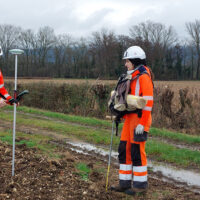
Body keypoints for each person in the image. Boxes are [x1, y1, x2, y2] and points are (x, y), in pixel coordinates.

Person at [111, 46, 154, 195]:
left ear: (135, 61)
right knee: (124, 150)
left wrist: (143, 124)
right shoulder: (131, 77)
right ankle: (124, 184)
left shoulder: (143, 77)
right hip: (130, 119)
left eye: (127, 61)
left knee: (137, 151)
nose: (125, 64)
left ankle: (140, 186)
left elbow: (148, 103)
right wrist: (119, 114)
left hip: (140, 119)